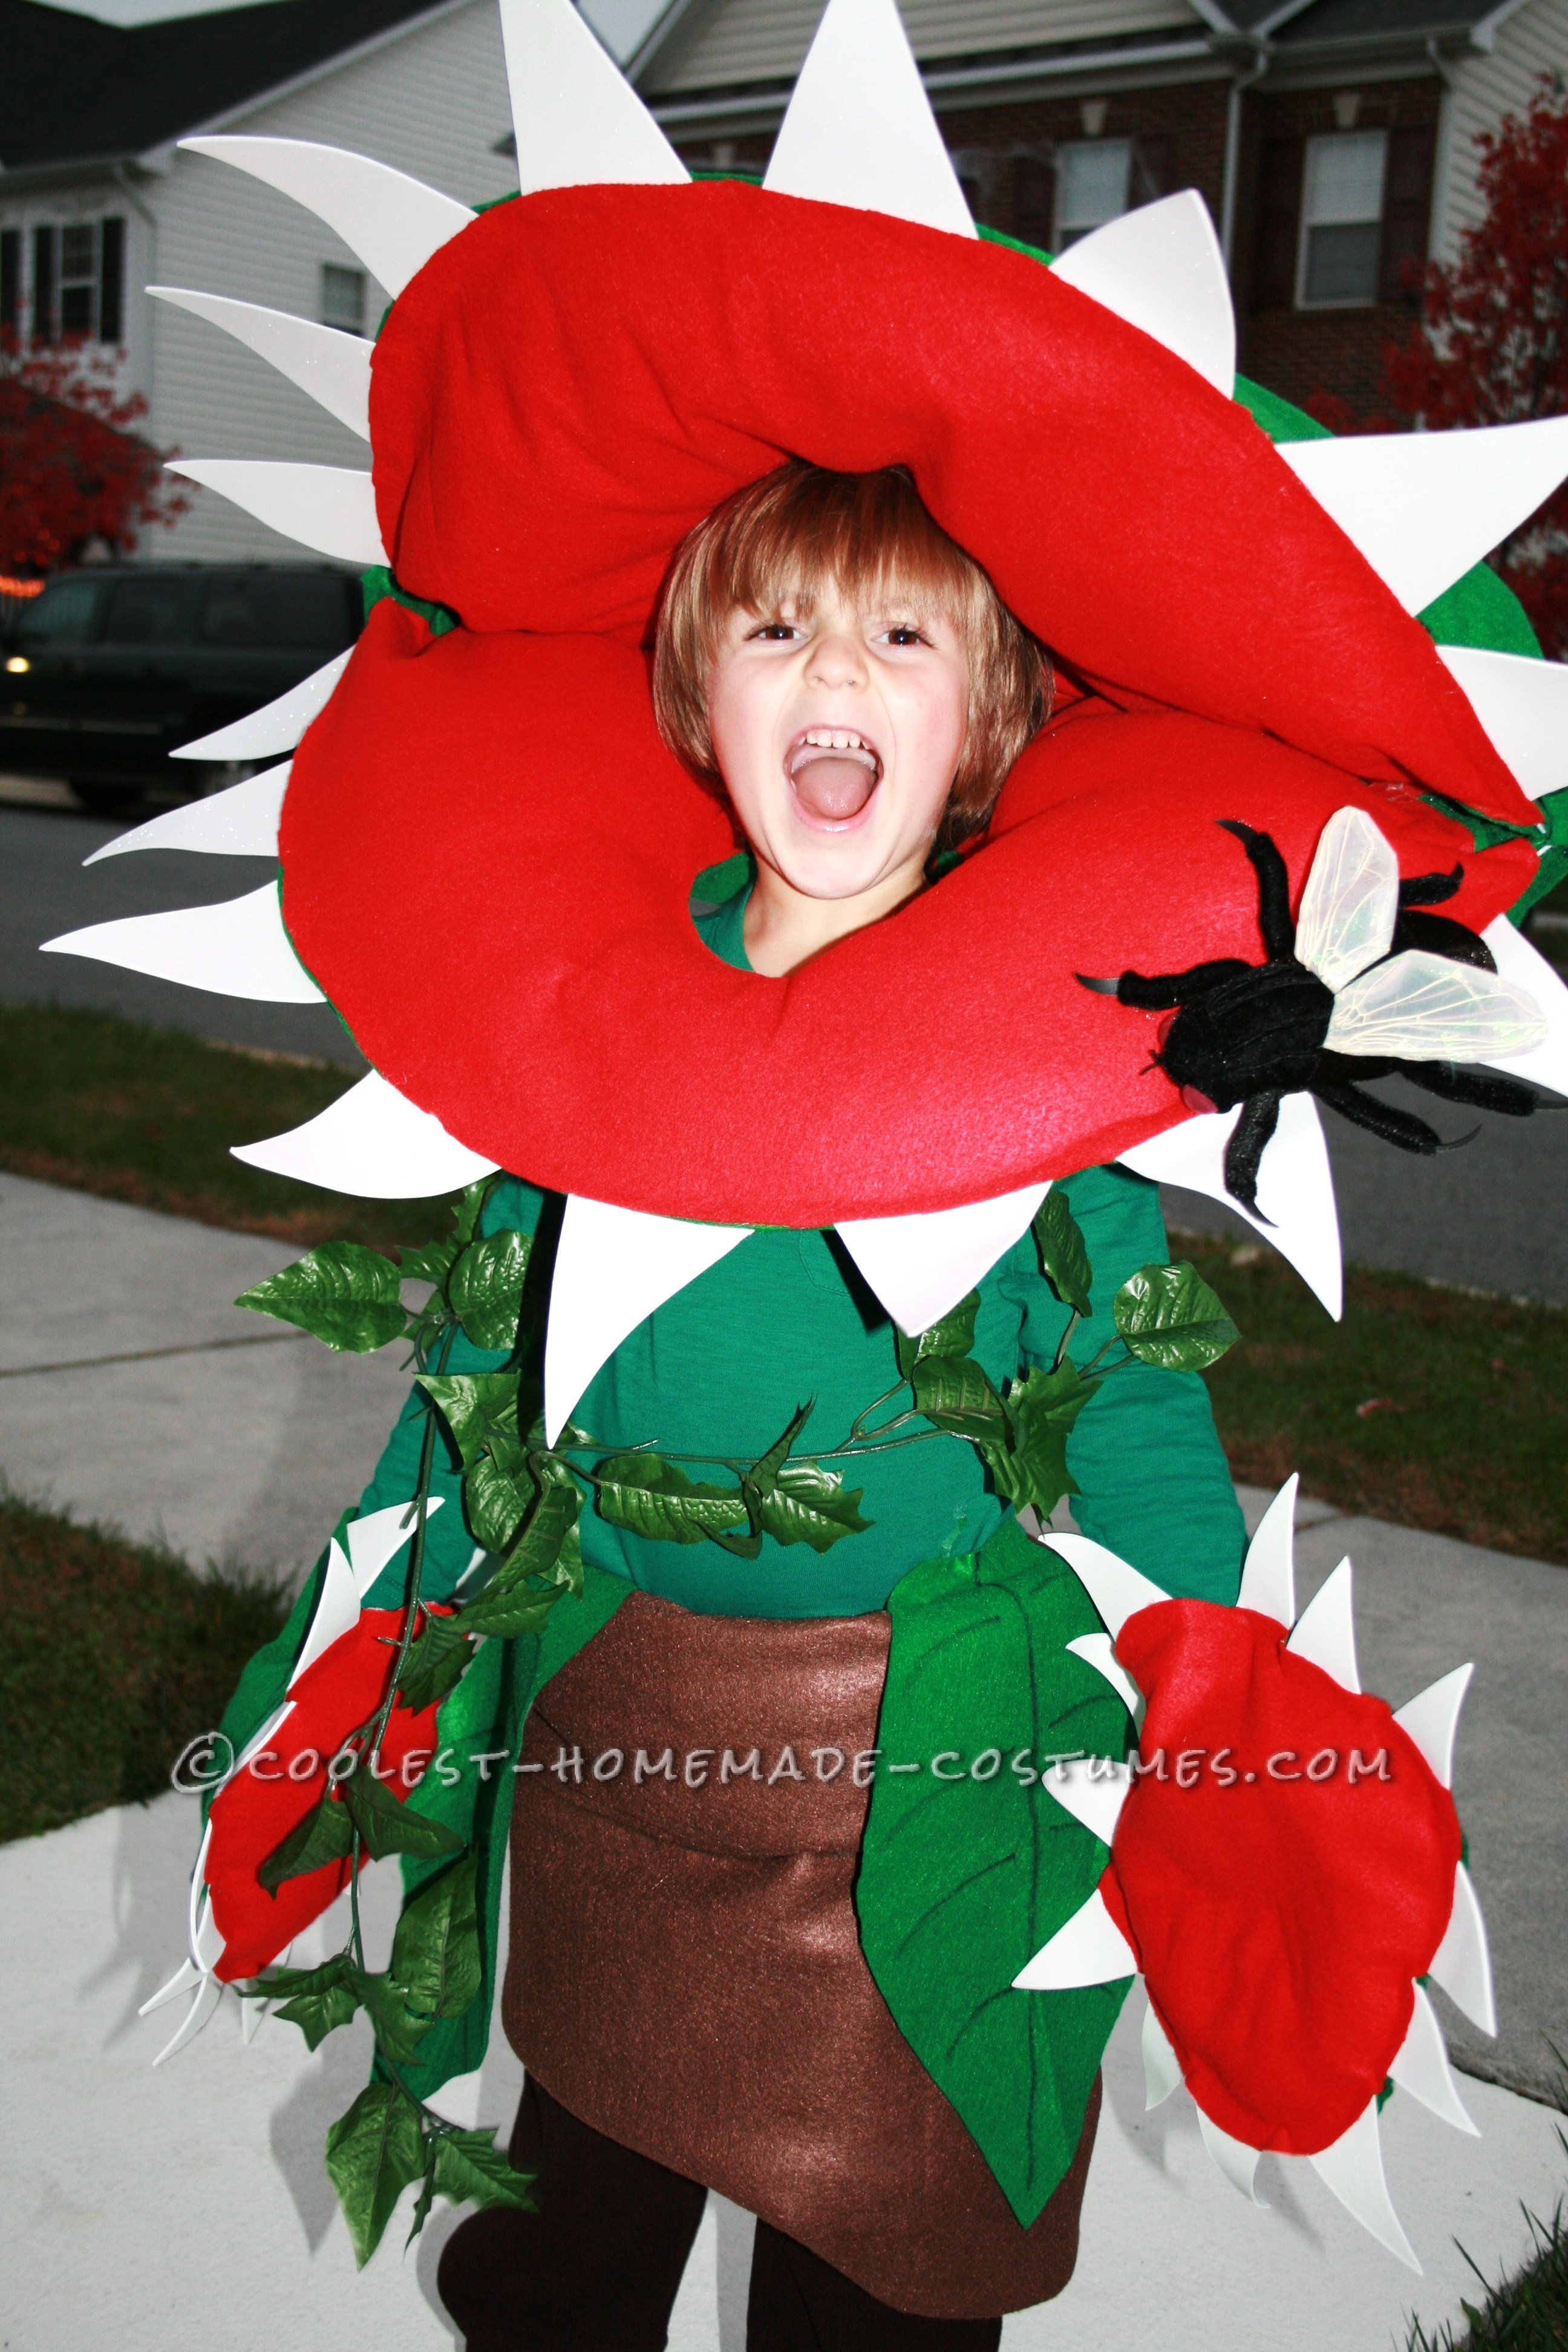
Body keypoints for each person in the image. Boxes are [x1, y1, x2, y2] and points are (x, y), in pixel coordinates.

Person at [313, 459, 1246, 2348]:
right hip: (625, 1748)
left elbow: (1138, 1418)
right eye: (775, 627)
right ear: (694, 701)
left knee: (886, 2279)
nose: (836, 666)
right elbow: (477, 1381)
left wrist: (1205, 1702)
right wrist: (354, 1659)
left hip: (933, 1774)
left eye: (905, 631)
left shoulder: (1055, 1067)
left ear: (985, 718)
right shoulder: (587, 1033)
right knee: (575, 2231)